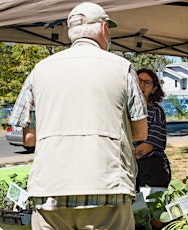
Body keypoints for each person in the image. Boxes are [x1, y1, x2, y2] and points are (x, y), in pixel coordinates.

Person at [8, 2, 148, 229]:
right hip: (106, 186)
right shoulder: (122, 68)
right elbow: (141, 131)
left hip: (50, 189)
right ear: (103, 29)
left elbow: (29, 138)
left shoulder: (39, 70)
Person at [134, 68, 171, 191]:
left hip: (151, 168)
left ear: (154, 89)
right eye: (138, 81)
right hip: (128, 167)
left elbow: (148, 146)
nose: (141, 85)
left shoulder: (156, 112)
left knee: (150, 207)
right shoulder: (123, 110)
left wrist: (125, 159)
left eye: (147, 82)